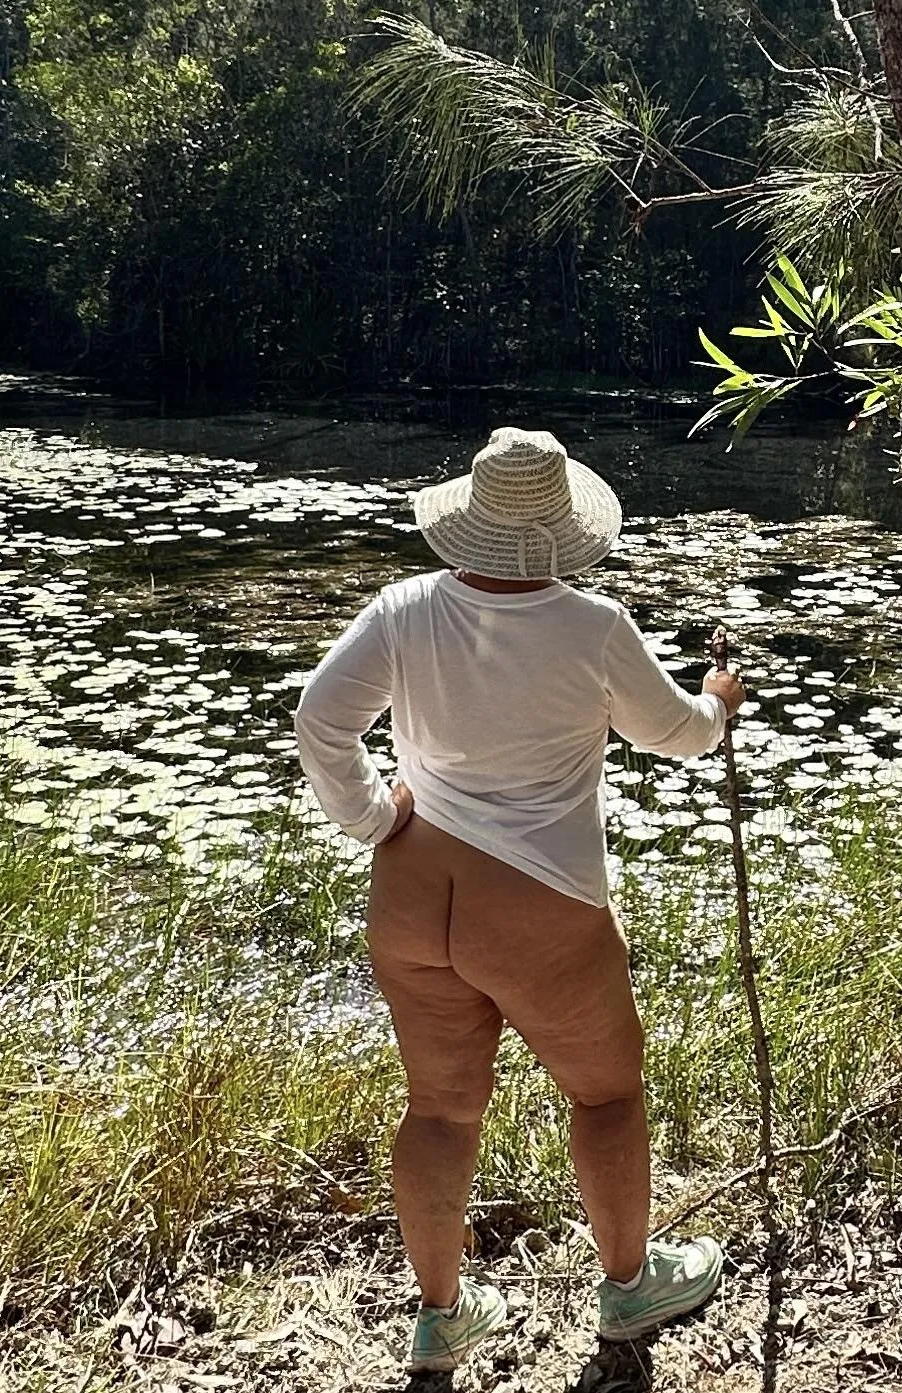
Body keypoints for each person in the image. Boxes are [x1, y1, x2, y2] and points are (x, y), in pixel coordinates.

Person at [295, 424, 744, 1373]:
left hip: (414, 891)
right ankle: (629, 1287)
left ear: (468, 519)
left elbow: (319, 720)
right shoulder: (594, 626)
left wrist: (371, 816)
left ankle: (441, 1316)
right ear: (564, 528)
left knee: (438, 1109)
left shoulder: (403, 609)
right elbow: (676, 734)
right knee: (606, 1092)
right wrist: (718, 702)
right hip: (541, 901)